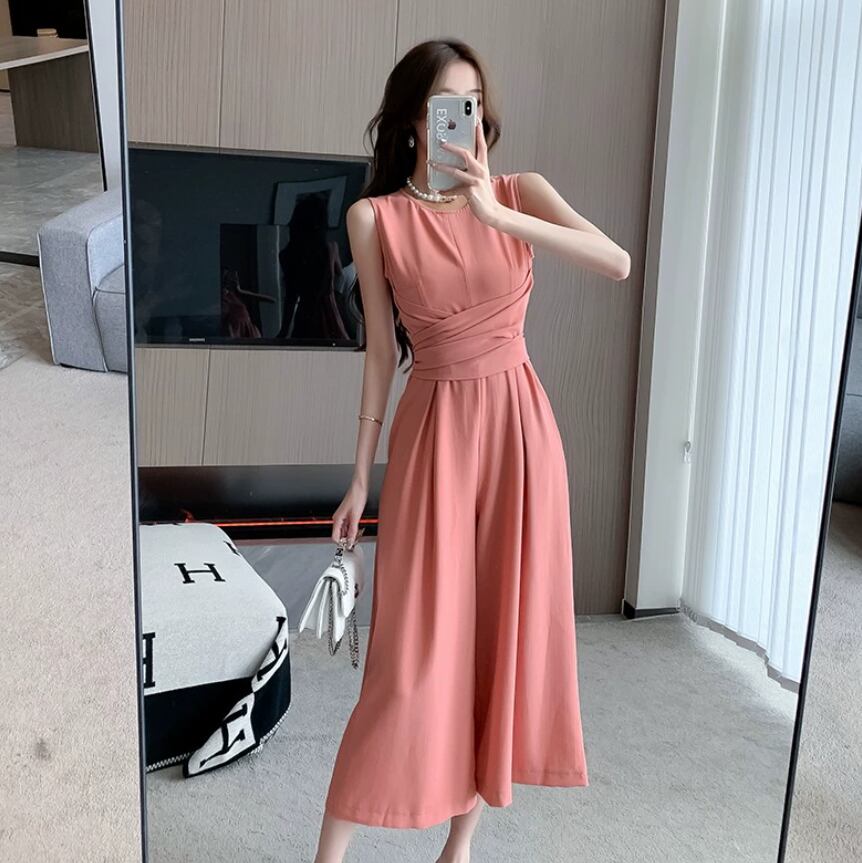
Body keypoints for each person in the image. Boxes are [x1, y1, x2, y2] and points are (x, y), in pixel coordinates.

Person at [314, 37, 630, 863]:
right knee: (409, 657)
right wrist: (358, 479)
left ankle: (458, 849)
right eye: (447, 104)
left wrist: (496, 214)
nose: (467, 118)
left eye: (475, 103)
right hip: (436, 438)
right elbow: (380, 355)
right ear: (414, 121)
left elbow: (617, 262)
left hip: (521, 436)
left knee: (499, 639)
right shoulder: (375, 218)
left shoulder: (523, 192)